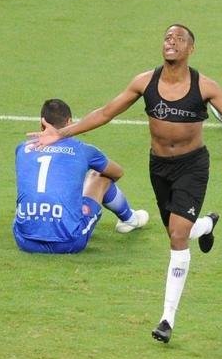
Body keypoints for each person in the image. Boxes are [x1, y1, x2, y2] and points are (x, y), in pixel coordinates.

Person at [32, 24, 222, 344]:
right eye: (167, 37)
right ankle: (206, 225)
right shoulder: (144, 82)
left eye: (179, 39)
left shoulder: (205, 87)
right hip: (159, 168)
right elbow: (106, 112)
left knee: (178, 236)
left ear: (190, 49)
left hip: (192, 168)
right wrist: (62, 132)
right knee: (179, 232)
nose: (171, 42)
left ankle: (167, 319)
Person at [14, 98, 150, 253]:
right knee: (99, 176)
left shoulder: (22, 148)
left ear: (42, 123)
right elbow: (117, 172)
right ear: (70, 122)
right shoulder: (83, 150)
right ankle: (130, 219)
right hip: (69, 242)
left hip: (24, 240)